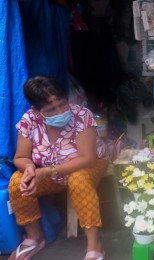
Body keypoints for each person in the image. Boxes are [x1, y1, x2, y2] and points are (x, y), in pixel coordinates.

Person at [8, 76, 108, 260]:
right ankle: (34, 238)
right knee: (17, 181)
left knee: (78, 178)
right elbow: (20, 157)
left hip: (89, 166)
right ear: (36, 111)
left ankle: (95, 246)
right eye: (51, 109)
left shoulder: (82, 115)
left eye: (63, 104)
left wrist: (47, 171)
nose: (60, 111)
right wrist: (30, 168)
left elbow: (88, 158)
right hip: (52, 174)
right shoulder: (29, 121)